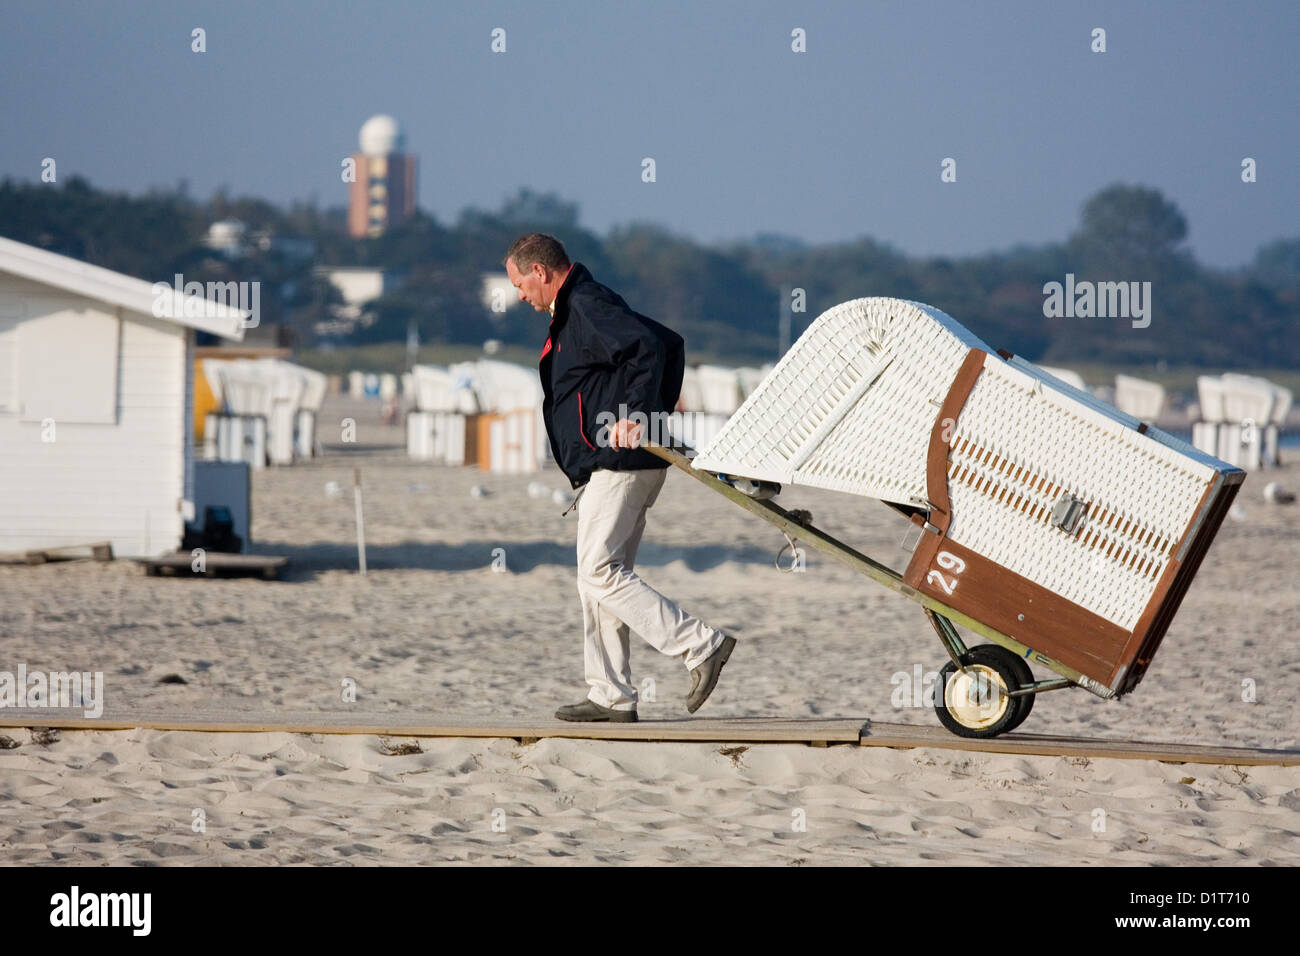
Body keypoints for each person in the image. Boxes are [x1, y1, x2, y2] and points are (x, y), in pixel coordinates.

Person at [504, 233, 735, 722]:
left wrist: (639, 415)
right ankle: (610, 696)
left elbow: (651, 346)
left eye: (520, 283)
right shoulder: (575, 308)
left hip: (621, 463)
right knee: (599, 581)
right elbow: (670, 342)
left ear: (541, 272)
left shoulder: (585, 303)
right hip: (616, 463)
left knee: (599, 573)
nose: (519, 295)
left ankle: (701, 646)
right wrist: (650, 416)